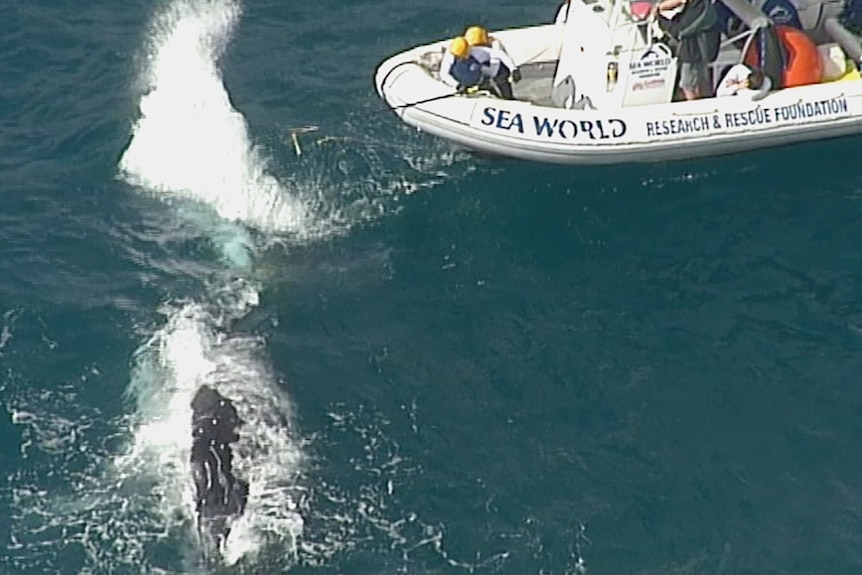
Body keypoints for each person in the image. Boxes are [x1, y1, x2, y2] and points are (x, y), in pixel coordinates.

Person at [652, 0, 721, 100]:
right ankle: (698, 107)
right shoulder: (693, 7)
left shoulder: (701, 8)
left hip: (695, 53)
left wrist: (659, 16)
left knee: (688, 85)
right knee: (693, 84)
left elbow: (679, 30)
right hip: (691, 52)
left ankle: (695, 109)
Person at [463, 25, 521, 99]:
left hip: (497, 67)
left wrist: (513, 69)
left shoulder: (495, 45)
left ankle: (508, 97)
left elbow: (503, 56)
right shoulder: (467, 48)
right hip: (481, 69)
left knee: (502, 80)